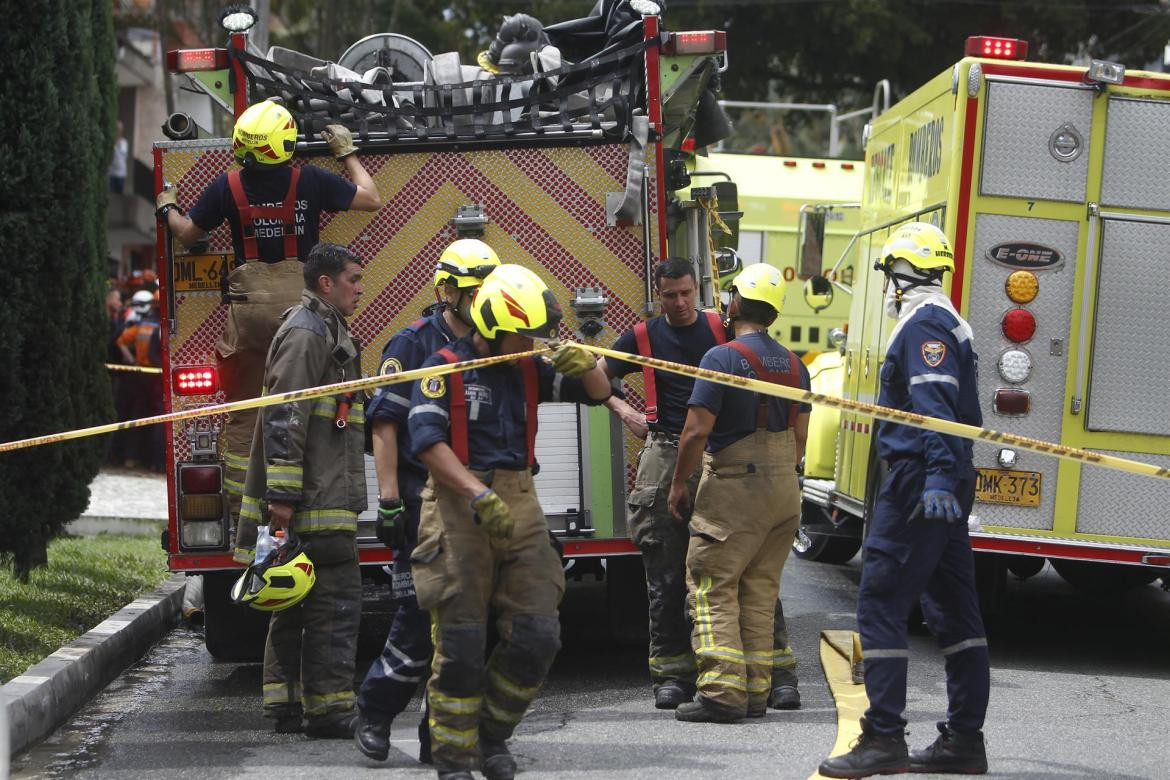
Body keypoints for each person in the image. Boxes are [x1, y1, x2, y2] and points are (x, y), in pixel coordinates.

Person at [408, 264, 611, 780]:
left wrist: (584, 363)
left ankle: (491, 735)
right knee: (460, 645)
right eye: (522, 333)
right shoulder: (443, 367)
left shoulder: (528, 366)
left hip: (521, 501)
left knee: (538, 633)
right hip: (458, 506)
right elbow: (427, 442)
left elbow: (597, 392)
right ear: (492, 327)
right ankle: (454, 759)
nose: (530, 341)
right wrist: (477, 494)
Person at [155, 99, 382, 558]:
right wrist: (347, 153)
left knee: (246, 411)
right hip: (304, 314)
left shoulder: (227, 185)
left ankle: (244, 516)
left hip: (250, 316)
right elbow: (370, 197)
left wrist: (167, 207)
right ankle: (313, 501)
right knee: (316, 409)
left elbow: (187, 234)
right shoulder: (311, 179)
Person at [818, 223, 988, 778]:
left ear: (901, 274)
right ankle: (963, 741)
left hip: (920, 480)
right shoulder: (945, 319)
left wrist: (937, 476)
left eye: (890, 275)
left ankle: (884, 738)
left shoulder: (926, 325)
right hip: (941, 480)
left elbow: (932, 408)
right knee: (954, 612)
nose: (888, 287)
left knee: (882, 604)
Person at [600, 257, 803, 711]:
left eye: (686, 292)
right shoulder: (641, 336)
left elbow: (762, 366)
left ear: (699, 289)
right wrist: (624, 410)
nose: (679, 302)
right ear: (658, 294)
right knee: (668, 573)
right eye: (670, 295)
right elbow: (598, 374)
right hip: (668, 450)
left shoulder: (723, 332)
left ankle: (777, 675)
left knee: (746, 570)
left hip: (723, 455)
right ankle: (673, 677)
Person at [354, 238, 500, 764]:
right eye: (473, 289)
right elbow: (386, 425)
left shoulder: (494, 342)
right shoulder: (412, 345)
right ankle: (374, 711)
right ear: (446, 291)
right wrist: (389, 498)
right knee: (419, 616)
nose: (483, 298)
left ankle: (436, 736)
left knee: (467, 624)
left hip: (473, 501)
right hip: (420, 500)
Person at [663, 263, 810, 723]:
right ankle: (755, 693)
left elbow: (694, 432)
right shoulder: (797, 365)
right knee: (760, 590)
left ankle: (722, 695)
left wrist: (678, 484)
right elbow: (801, 438)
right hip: (784, 489)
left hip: (735, 488)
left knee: (713, 585)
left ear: (737, 303)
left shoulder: (721, 358)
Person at [237, 243, 368, 739]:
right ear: (326, 283)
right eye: (353, 279)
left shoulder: (326, 330)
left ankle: (286, 705)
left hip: (316, 496)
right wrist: (284, 501)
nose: (360, 287)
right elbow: (285, 416)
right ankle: (329, 711)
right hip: (314, 501)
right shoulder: (308, 333)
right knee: (335, 603)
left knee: (292, 603)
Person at [115, 290, 165, 471]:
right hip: (158, 378)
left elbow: (120, 341)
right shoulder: (162, 327)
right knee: (160, 419)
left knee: (137, 417)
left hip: (141, 376)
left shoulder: (141, 325)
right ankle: (155, 462)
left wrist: (132, 360)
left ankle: (131, 457)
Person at [109, 120, 127, 193]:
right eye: (116, 129)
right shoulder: (111, 141)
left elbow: (123, 154)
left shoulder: (124, 142)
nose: (117, 131)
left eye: (119, 129)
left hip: (120, 173)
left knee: (119, 195)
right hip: (111, 172)